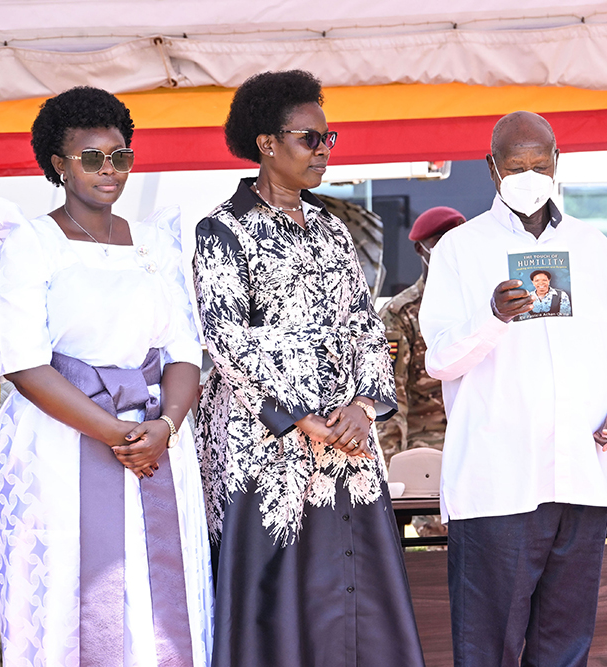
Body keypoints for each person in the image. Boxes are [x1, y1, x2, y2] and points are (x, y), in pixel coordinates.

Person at [191, 70, 425, 667]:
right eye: (309, 139)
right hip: (262, 448)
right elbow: (225, 340)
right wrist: (298, 418)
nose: (324, 151)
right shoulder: (221, 230)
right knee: (275, 609)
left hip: (344, 445)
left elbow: (365, 326)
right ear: (267, 144)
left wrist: (364, 406)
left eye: (329, 138)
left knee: (351, 607)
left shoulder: (332, 231)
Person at [0, 86, 213, 666]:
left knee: (160, 585)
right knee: (74, 586)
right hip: (65, 441)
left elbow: (186, 350)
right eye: (91, 157)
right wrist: (116, 434)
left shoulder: (156, 243)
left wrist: (163, 425)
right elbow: (23, 363)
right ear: (59, 165)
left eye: (120, 156)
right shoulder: (32, 244)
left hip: (156, 441)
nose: (109, 170)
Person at [419, 110, 607, 667]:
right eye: (514, 166)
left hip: (579, 477)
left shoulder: (594, 248)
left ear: (557, 163)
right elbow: (441, 360)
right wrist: (492, 316)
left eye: (538, 165)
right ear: (491, 168)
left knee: (564, 649)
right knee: (487, 649)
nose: (527, 175)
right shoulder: (460, 250)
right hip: (498, 484)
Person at [377, 205, 465, 465]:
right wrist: (392, 466)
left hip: (479, 439)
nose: (451, 249)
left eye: (456, 240)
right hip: (427, 448)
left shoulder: (483, 302)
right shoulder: (399, 313)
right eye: (440, 242)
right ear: (421, 249)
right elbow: (391, 395)